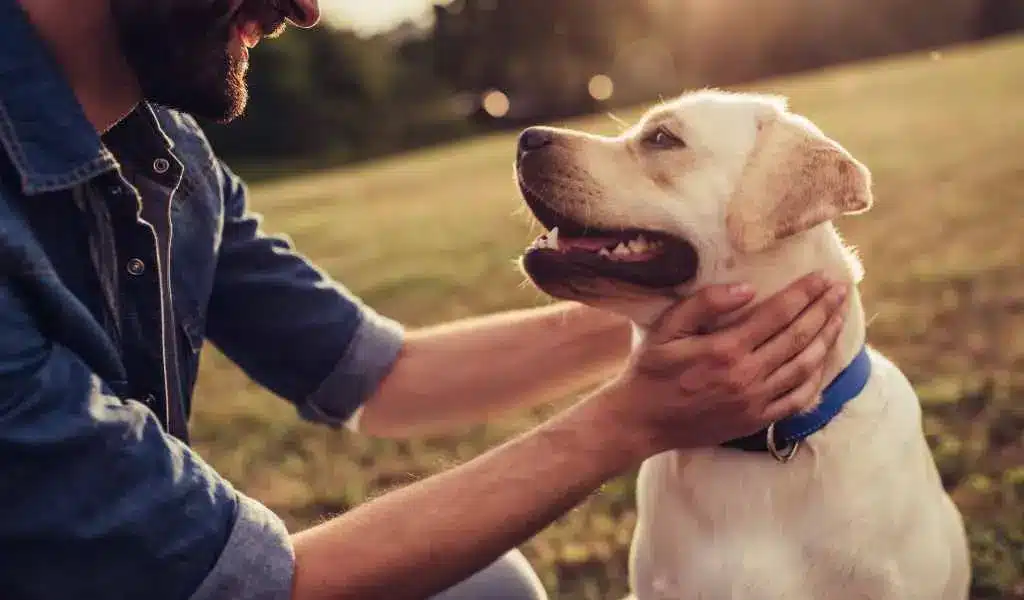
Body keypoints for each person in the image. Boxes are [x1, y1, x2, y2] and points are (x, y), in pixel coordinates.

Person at [0, 0, 849, 598]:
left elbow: (384, 376)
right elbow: (244, 588)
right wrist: (634, 418)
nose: (305, 9)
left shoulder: (170, 159)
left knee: (485, 593)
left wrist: (691, 301)